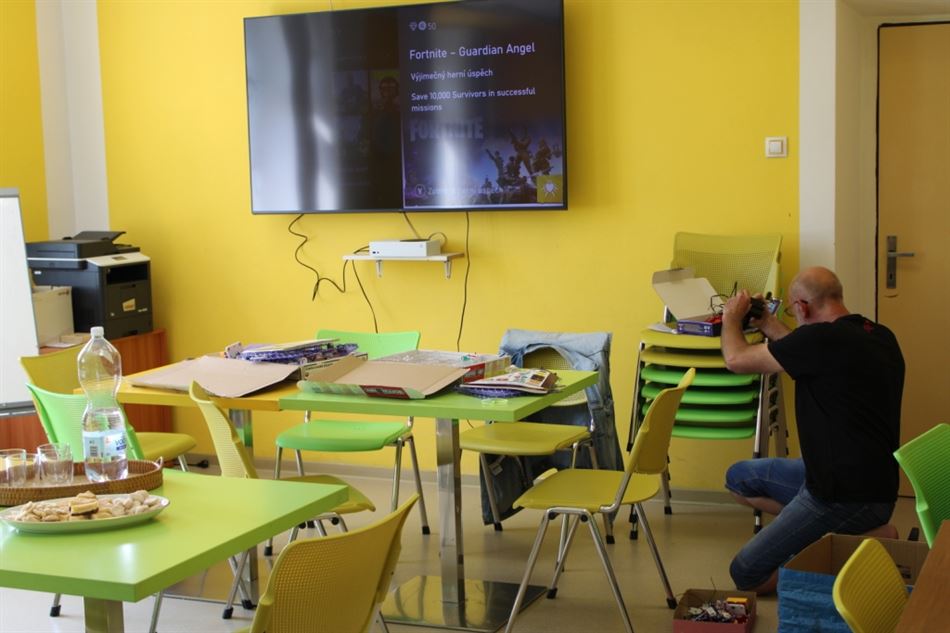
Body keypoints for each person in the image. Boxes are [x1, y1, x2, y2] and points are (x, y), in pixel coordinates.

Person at [719, 266, 904, 594]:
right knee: (739, 478)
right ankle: (831, 534)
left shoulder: (819, 341)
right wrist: (767, 323)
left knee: (746, 573)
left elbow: (735, 358)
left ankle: (869, 539)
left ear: (802, 307)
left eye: (793, 311)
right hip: (872, 484)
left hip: (841, 496)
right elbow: (802, 347)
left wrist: (731, 317)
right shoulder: (878, 334)